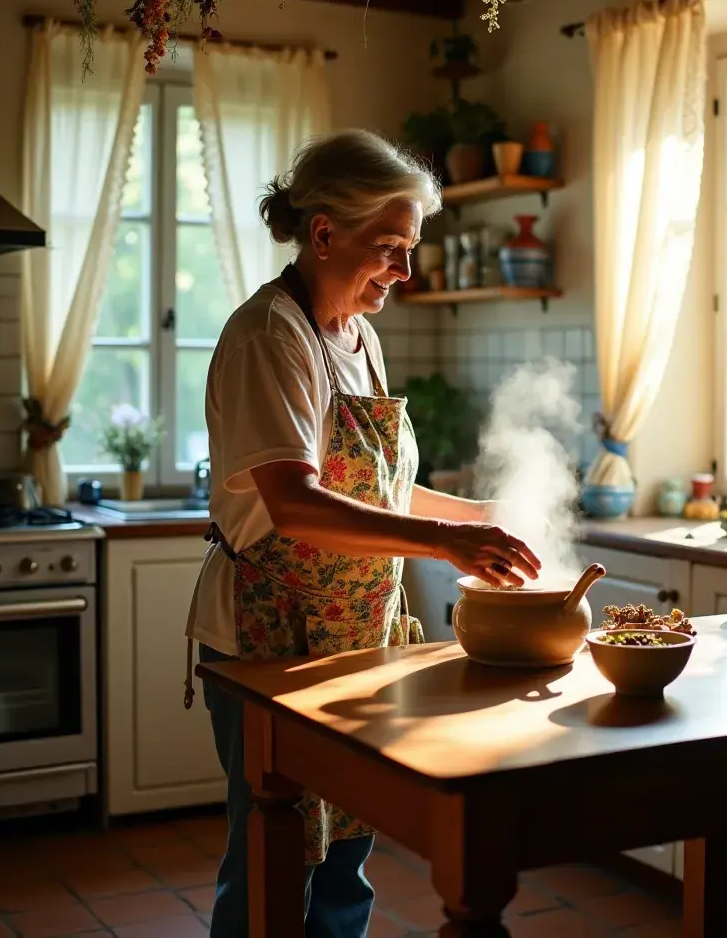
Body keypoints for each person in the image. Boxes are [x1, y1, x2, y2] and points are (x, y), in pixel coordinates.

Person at [184, 129, 541, 938]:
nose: (405, 272)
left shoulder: (360, 337)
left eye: (410, 249)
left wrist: (477, 517)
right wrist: (449, 549)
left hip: (354, 632)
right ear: (323, 234)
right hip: (269, 637)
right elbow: (297, 503)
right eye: (389, 248)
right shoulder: (270, 336)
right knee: (276, 858)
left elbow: (380, 488)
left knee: (344, 854)